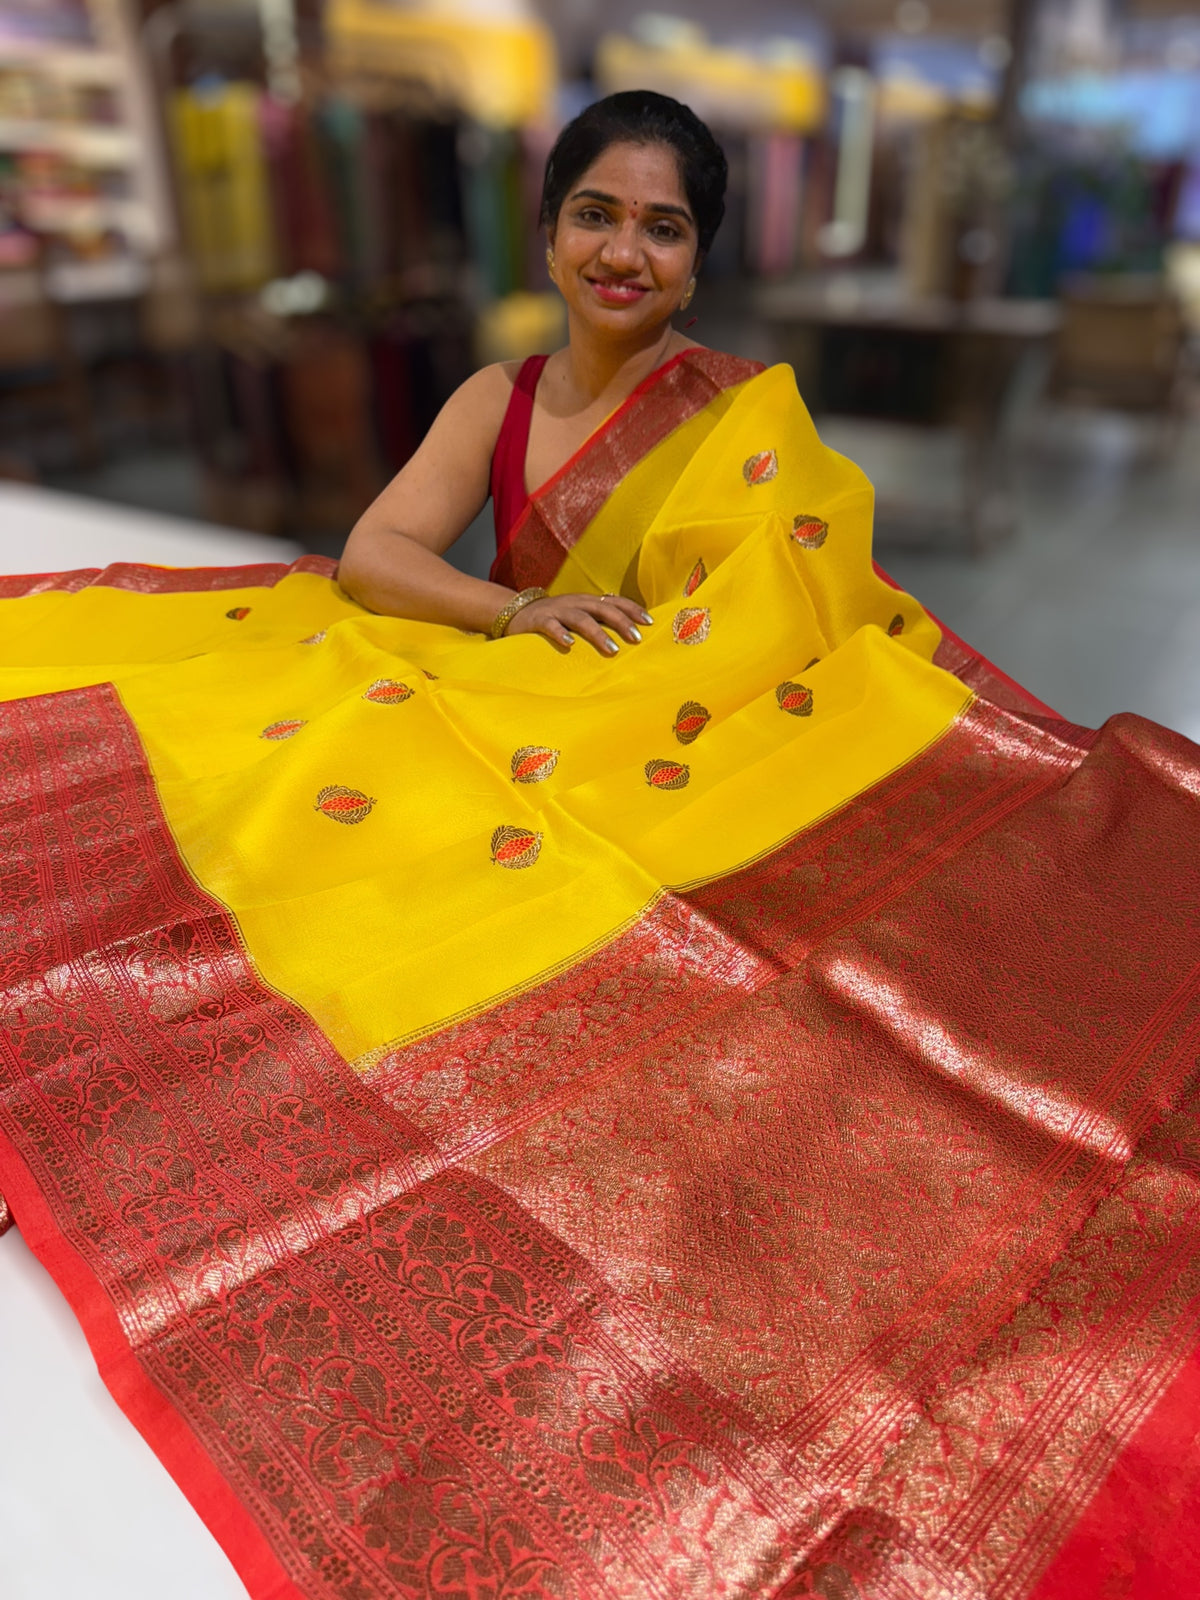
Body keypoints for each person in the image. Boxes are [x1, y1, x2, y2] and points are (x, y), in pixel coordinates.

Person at [0, 89, 1197, 1600]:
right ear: (553, 228)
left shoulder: (741, 414)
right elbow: (379, 552)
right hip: (519, 702)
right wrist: (517, 614)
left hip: (669, 736)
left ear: (695, 265)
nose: (623, 250)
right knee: (272, 805)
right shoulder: (496, 400)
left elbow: (780, 618)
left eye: (663, 225)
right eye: (597, 213)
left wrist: (630, 676)